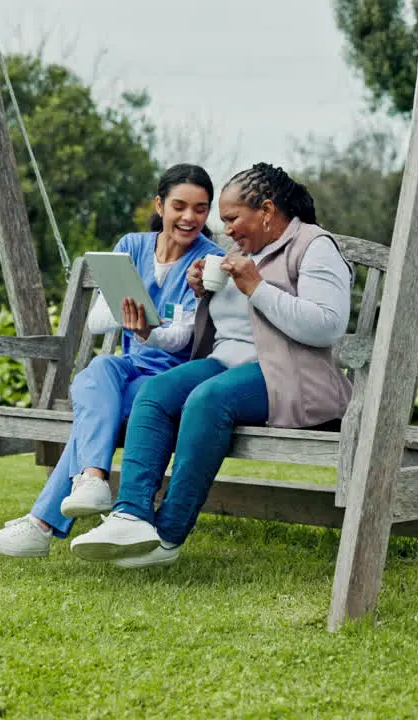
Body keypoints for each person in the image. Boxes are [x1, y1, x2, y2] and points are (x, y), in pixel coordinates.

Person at [70, 162, 353, 568]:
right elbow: (229, 320)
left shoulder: (313, 246)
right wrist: (203, 291)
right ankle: (131, 515)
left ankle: (167, 535)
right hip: (224, 362)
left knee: (206, 400)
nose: (227, 231)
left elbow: (327, 326)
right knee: (157, 391)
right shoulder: (241, 252)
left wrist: (256, 286)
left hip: (285, 374)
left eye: (234, 219)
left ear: (268, 210)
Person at [0, 163, 224, 558]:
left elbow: (183, 338)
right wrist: (131, 304)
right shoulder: (132, 244)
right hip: (129, 369)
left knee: (95, 419)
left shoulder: (207, 261)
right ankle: (91, 481)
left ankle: (45, 520)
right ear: (160, 205)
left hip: (170, 379)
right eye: (180, 206)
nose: (189, 217)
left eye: (200, 209)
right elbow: (96, 322)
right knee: (96, 371)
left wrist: (145, 328)